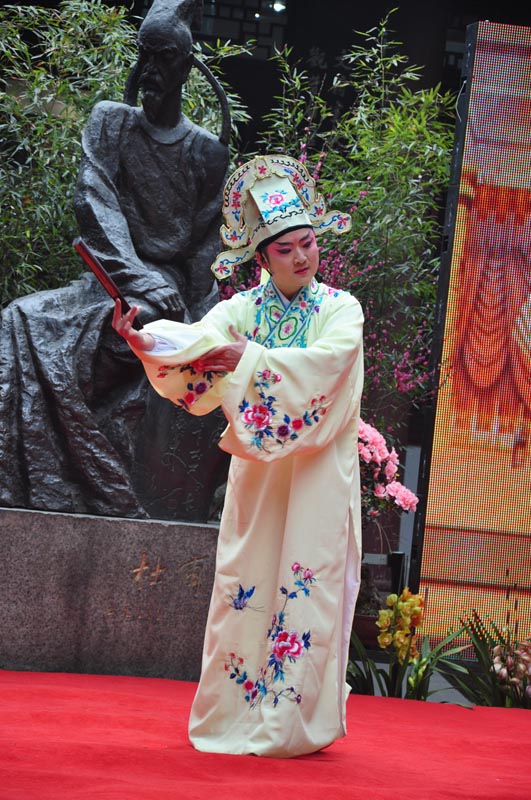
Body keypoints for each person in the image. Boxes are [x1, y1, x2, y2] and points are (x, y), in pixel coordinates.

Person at [113, 153, 364, 757]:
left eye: (308, 243)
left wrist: (246, 361)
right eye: (286, 250)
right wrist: (144, 339)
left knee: (309, 587)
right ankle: (233, 715)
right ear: (260, 258)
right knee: (243, 586)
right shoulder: (242, 312)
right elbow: (194, 342)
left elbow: (328, 368)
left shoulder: (340, 308)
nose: (303, 256)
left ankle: (291, 725)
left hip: (317, 475)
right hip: (258, 476)